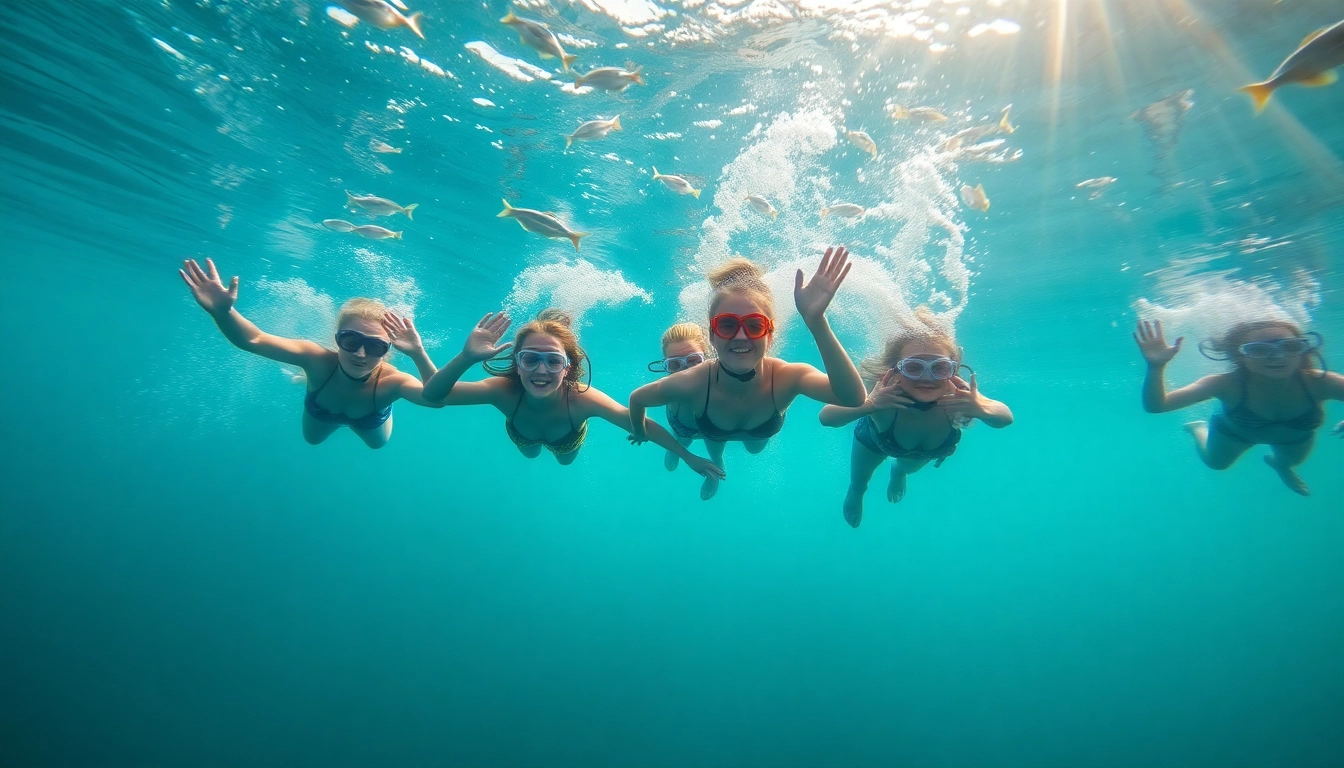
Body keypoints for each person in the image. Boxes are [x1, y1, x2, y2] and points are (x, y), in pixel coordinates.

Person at [628, 246, 867, 500]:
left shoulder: (788, 377)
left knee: (754, 449)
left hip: (751, 435)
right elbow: (637, 399)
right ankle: (710, 464)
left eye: (754, 325)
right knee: (703, 443)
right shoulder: (691, 383)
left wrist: (816, 321)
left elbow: (853, 398)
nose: (741, 336)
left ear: (770, 336)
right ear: (711, 336)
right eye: (727, 325)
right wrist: (641, 432)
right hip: (706, 427)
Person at [421, 308, 724, 479]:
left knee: (565, 462)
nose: (541, 371)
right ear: (517, 363)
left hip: (567, 441)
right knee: (529, 452)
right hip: (521, 435)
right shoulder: (501, 391)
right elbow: (434, 395)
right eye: (530, 359)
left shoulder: (582, 397)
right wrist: (467, 357)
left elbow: (639, 422)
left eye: (553, 361)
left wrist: (687, 456)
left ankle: (560, 450)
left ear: (568, 367)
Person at [179, 258, 443, 448]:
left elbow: (435, 399)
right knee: (312, 441)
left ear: (387, 351)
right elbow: (253, 339)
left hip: (370, 416)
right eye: (351, 341)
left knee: (377, 445)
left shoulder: (393, 382)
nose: (361, 354)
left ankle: (320, 385)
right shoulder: (314, 358)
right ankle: (306, 379)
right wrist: (224, 313)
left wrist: (418, 352)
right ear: (336, 340)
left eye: (375, 347)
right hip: (322, 409)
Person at [820, 308, 1013, 527]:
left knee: (904, 468)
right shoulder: (883, 391)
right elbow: (827, 417)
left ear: (953, 368)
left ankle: (897, 472)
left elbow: (1005, 417)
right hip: (873, 442)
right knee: (859, 482)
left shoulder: (961, 396)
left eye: (939, 368)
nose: (926, 378)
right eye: (914, 367)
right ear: (897, 368)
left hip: (924, 450)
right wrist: (870, 405)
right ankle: (856, 495)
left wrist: (980, 408)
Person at [1135, 318, 1344, 496]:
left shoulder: (1322, 383)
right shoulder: (1224, 384)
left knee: (1290, 462)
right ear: (1239, 356)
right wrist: (1156, 367)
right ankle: (1198, 428)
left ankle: (1278, 464)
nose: (1278, 356)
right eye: (1259, 350)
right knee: (1216, 464)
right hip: (1235, 434)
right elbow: (1158, 406)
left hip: (1294, 438)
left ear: (1302, 349)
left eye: (1290, 346)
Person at [647, 322, 711, 472]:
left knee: (716, 449)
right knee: (683, 440)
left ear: (707, 357)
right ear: (666, 366)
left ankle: (715, 475)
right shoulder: (665, 388)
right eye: (675, 365)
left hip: (713, 433)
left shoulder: (721, 378)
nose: (685, 372)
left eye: (693, 361)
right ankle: (676, 450)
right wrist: (637, 429)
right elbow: (636, 399)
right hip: (683, 430)